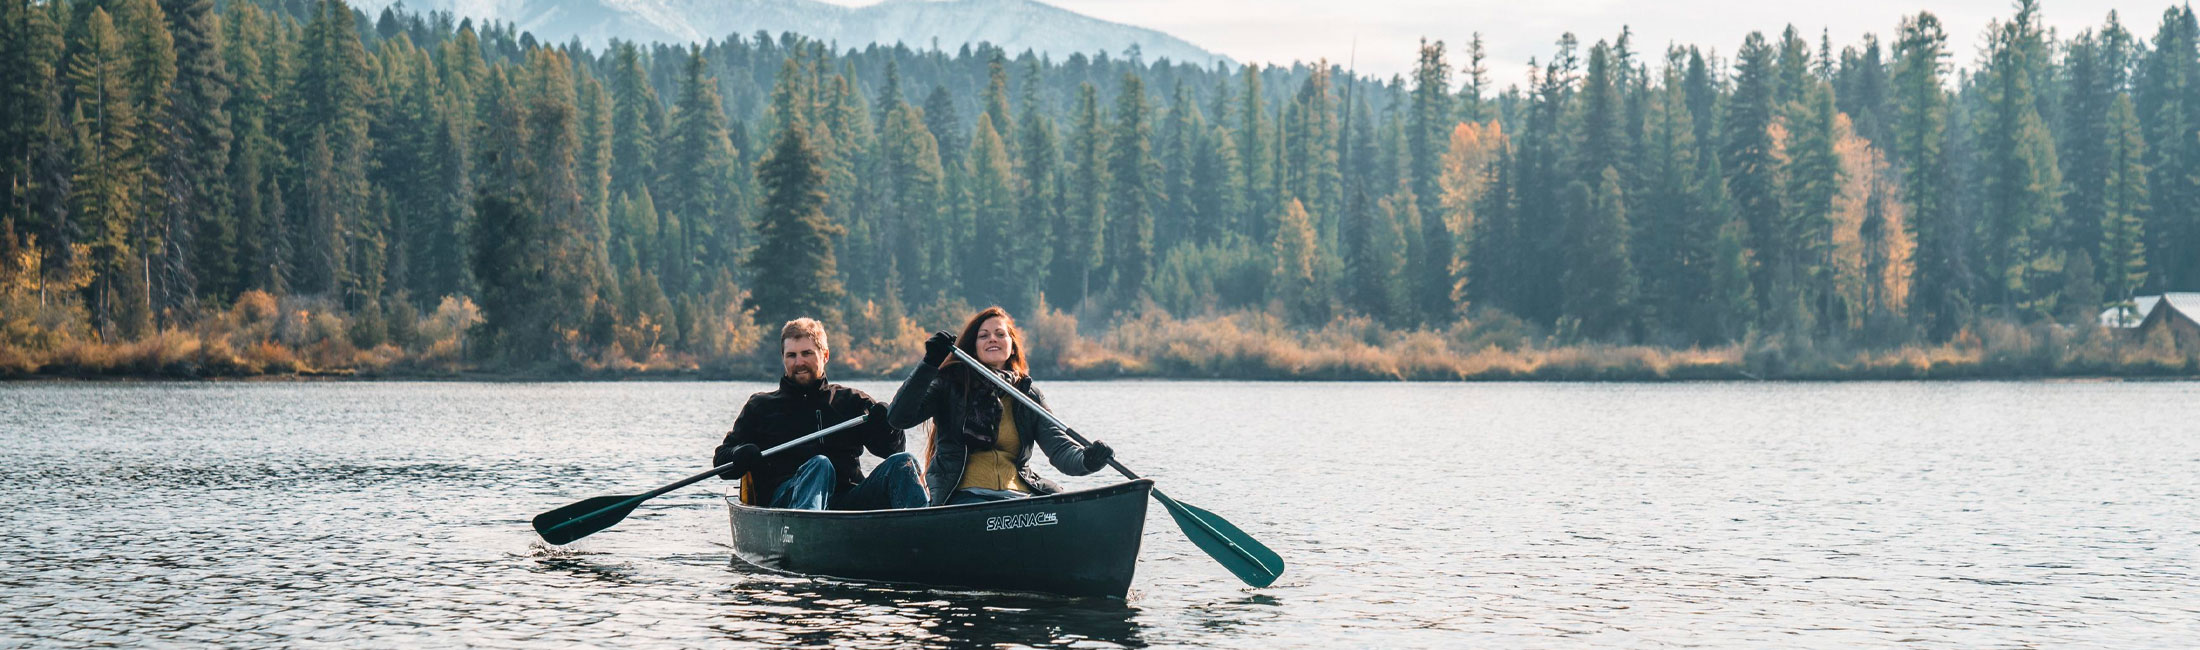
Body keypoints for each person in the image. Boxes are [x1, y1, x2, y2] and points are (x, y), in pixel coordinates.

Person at [887, 306, 1114, 506]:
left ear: (1012, 346)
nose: (992, 339)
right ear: (973, 348)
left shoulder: (1028, 395)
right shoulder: (949, 385)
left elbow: (1061, 449)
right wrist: (929, 364)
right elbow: (898, 418)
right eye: (983, 336)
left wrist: (1088, 460)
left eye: (1000, 334)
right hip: (964, 498)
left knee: (1062, 504)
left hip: (1020, 496)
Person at [713, 318, 926, 510]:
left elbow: (893, 449)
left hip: (847, 501)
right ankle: (809, 531)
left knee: (903, 462)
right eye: (791, 355)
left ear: (825, 356)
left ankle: (923, 528)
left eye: (807, 353)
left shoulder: (852, 401)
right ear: (783, 358)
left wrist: (887, 426)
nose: (799, 362)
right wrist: (739, 453)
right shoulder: (760, 407)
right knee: (820, 465)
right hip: (786, 503)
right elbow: (722, 462)